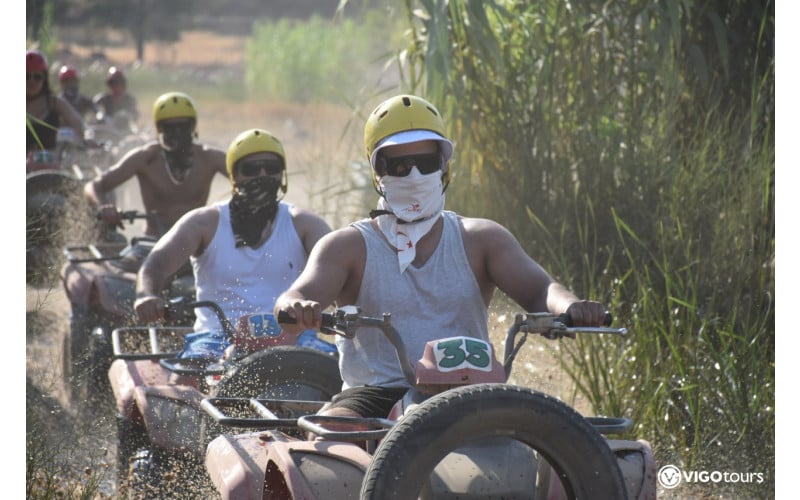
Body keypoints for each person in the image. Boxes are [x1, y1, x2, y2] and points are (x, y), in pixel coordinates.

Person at [274, 94, 608, 421]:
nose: (415, 176)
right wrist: (297, 307)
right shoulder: (346, 247)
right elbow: (297, 295)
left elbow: (540, 289)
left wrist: (570, 307)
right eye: (401, 167)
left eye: (427, 163)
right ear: (379, 172)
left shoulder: (481, 239)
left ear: (444, 167)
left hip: (470, 392)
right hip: (376, 394)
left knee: (546, 440)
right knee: (328, 435)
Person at [134, 128, 332, 357]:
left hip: (294, 337)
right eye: (251, 169)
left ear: (282, 175)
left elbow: (338, 273)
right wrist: (146, 295)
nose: (262, 175)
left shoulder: (305, 224)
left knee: (336, 378)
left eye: (272, 168)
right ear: (234, 176)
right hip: (216, 338)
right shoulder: (203, 223)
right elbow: (156, 263)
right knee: (183, 383)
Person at [84, 91, 228, 238]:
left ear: (192, 127)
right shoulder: (145, 159)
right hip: (152, 243)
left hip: (198, 246)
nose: (177, 133)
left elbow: (245, 176)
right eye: (170, 128)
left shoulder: (209, 158)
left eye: (183, 127)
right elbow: (94, 186)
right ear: (159, 129)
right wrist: (104, 206)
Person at [26, 49, 85, 155]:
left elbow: (78, 125)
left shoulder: (54, 102)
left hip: (50, 167)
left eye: (37, 77)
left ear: (44, 79)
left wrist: (70, 146)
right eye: (27, 76)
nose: (32, 81)